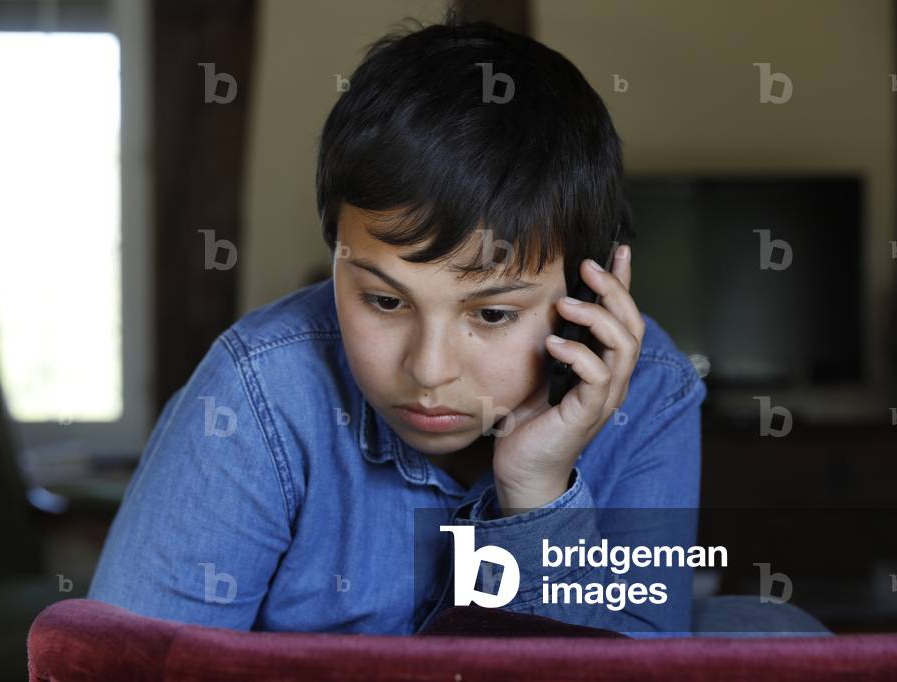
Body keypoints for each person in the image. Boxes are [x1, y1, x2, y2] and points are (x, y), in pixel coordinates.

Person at [88, 6, 709, 637]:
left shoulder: (653, 393)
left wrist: (537, 494)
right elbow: (121, 664)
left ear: (586, 290)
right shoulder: (258, 391)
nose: (429, 370)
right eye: (385, 301)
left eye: (493, 313)